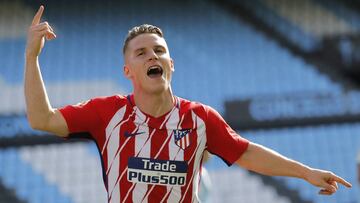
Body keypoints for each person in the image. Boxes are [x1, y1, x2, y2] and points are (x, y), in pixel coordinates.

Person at [25, 5, 352, 203]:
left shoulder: (200, 118)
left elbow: (245, 152)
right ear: (128, 71)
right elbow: (42, 119)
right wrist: (32, 57)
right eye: (142, 53)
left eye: (159, 50)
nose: (153, 55)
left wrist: (305, 172)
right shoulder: (106, 113)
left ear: (171, 63)